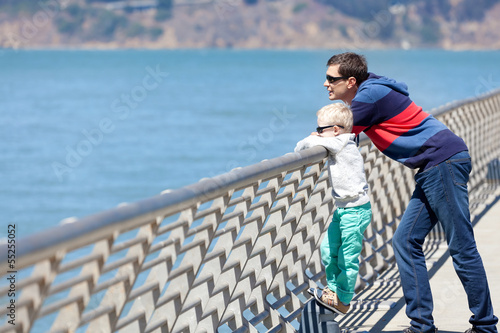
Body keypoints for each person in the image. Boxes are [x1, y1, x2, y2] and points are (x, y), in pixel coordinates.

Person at [322, 52, 498, 333]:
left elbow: (334, 132)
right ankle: (422, 325)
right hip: (435, 167)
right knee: (405, 241)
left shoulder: (369, 97)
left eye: (332, 79)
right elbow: (344, 132)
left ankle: (486, 326)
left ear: (351, 81)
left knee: (462, 247)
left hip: (443, 164)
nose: (325, 84)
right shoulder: (370, 92)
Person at [295, 103, 372, 315]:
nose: (318, 133)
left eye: (321, 129)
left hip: (356, 211)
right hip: (343, 209)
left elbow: (302, 146)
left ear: (336, 129)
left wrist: (315, 138)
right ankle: (333, 290)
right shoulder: (337, 140)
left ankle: (343, 299)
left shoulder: (342, 142)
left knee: (348, 256)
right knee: (328, 250)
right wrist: (321, 136)